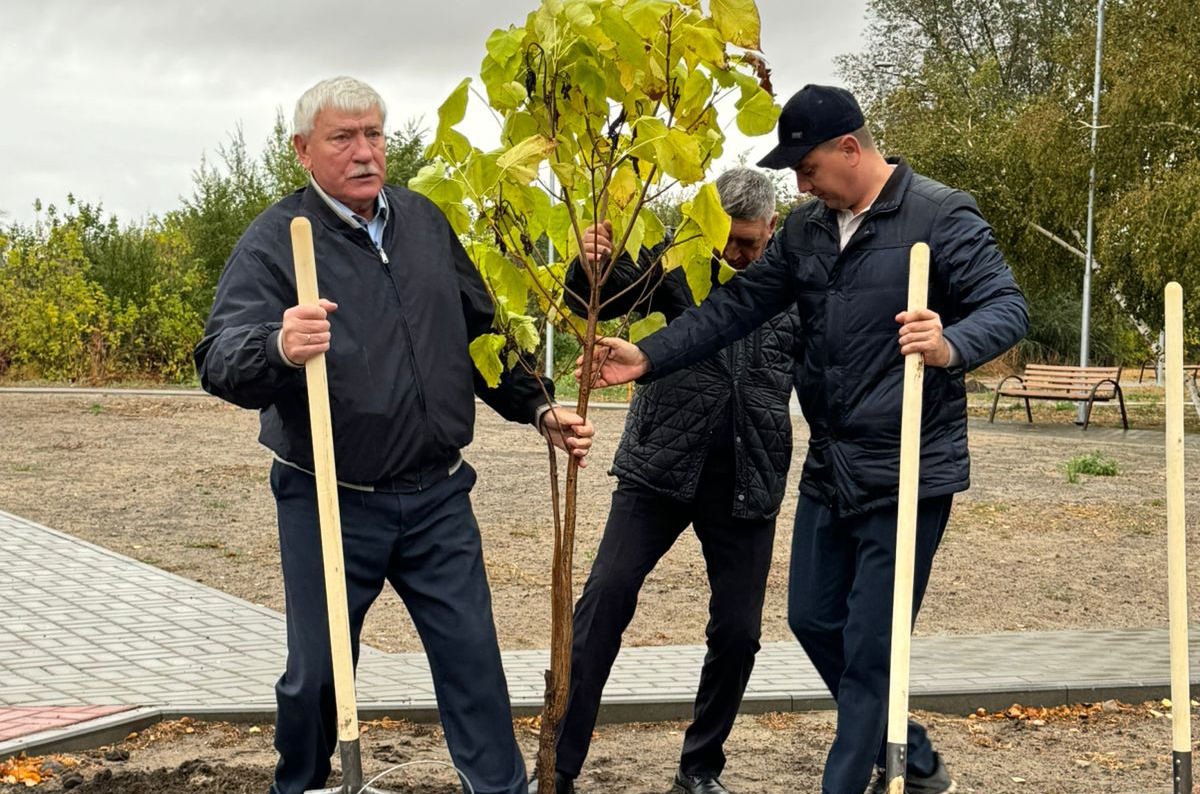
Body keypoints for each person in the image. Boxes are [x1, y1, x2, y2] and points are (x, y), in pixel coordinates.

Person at [577, 85, 1028, 794]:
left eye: (807, 166)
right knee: (813, 619)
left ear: (850, 148)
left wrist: (950, 342)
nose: (799, 182)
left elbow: (1007, 304)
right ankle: (904, 741)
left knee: (872, 651)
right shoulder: (810, 230)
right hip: (831, 460)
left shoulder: (939, 214)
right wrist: (650, 356)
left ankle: (850, 778)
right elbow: (735, 307)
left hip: (908, 462)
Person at [193, 75, 594, 794]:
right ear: (303, 151)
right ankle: (305, 784)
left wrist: (538, 406)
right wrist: (278, 345)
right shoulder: (277, 242)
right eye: (343, 137)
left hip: (437, 495)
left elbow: (483, 336)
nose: (365, 152)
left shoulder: (423, 223)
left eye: (374, 134)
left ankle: (500, 789)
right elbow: (219, 358)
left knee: (474, 660)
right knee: (317, 672)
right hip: (330, 499)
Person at [533, 169, 800, 794]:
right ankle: (560, 768)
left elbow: (824, 369)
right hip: (659, 466)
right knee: (602, 605)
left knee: (739, 633)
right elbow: (599, 302)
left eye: (750, 244)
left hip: (748, 475)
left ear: (771, 231)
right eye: (728, 240)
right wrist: (588, 268)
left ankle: (700, 768)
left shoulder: (791, 285)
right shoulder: (672, 263)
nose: (736, 254)